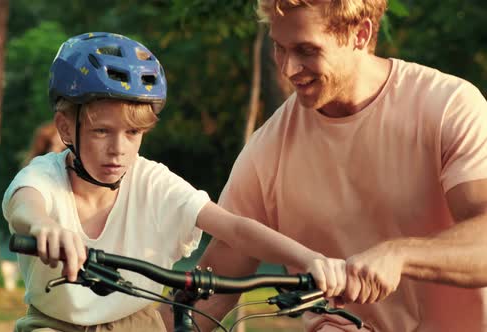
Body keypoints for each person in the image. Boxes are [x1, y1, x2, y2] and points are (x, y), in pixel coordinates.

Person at [2, 32, 345, 332]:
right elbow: (25, 205)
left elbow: (235, 228)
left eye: (132, 133)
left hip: (141, 325)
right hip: (54, 325)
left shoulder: (152, 181)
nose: (118, 149)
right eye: (101, 131)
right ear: (65, 128)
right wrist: (45, 226)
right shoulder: (44, 176)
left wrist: (309, 259)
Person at [185, 1, 487, 331]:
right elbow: (211, 290)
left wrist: (401, 255)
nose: (288, 69)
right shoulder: (268, 149)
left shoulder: (448, 107)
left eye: (306, 50)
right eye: (279, 47)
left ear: (360, 34)